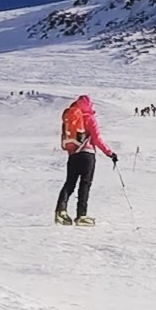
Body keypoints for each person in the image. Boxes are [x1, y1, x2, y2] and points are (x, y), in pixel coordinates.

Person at [55, 95, 116, 226]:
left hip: (73, 155)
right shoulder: (89, 118)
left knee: (69, 183)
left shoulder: (71, 117)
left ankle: (61, 211)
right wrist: (109, 153)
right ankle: (81, 215)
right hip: (87, 155)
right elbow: (96, 139)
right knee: (85, 184)